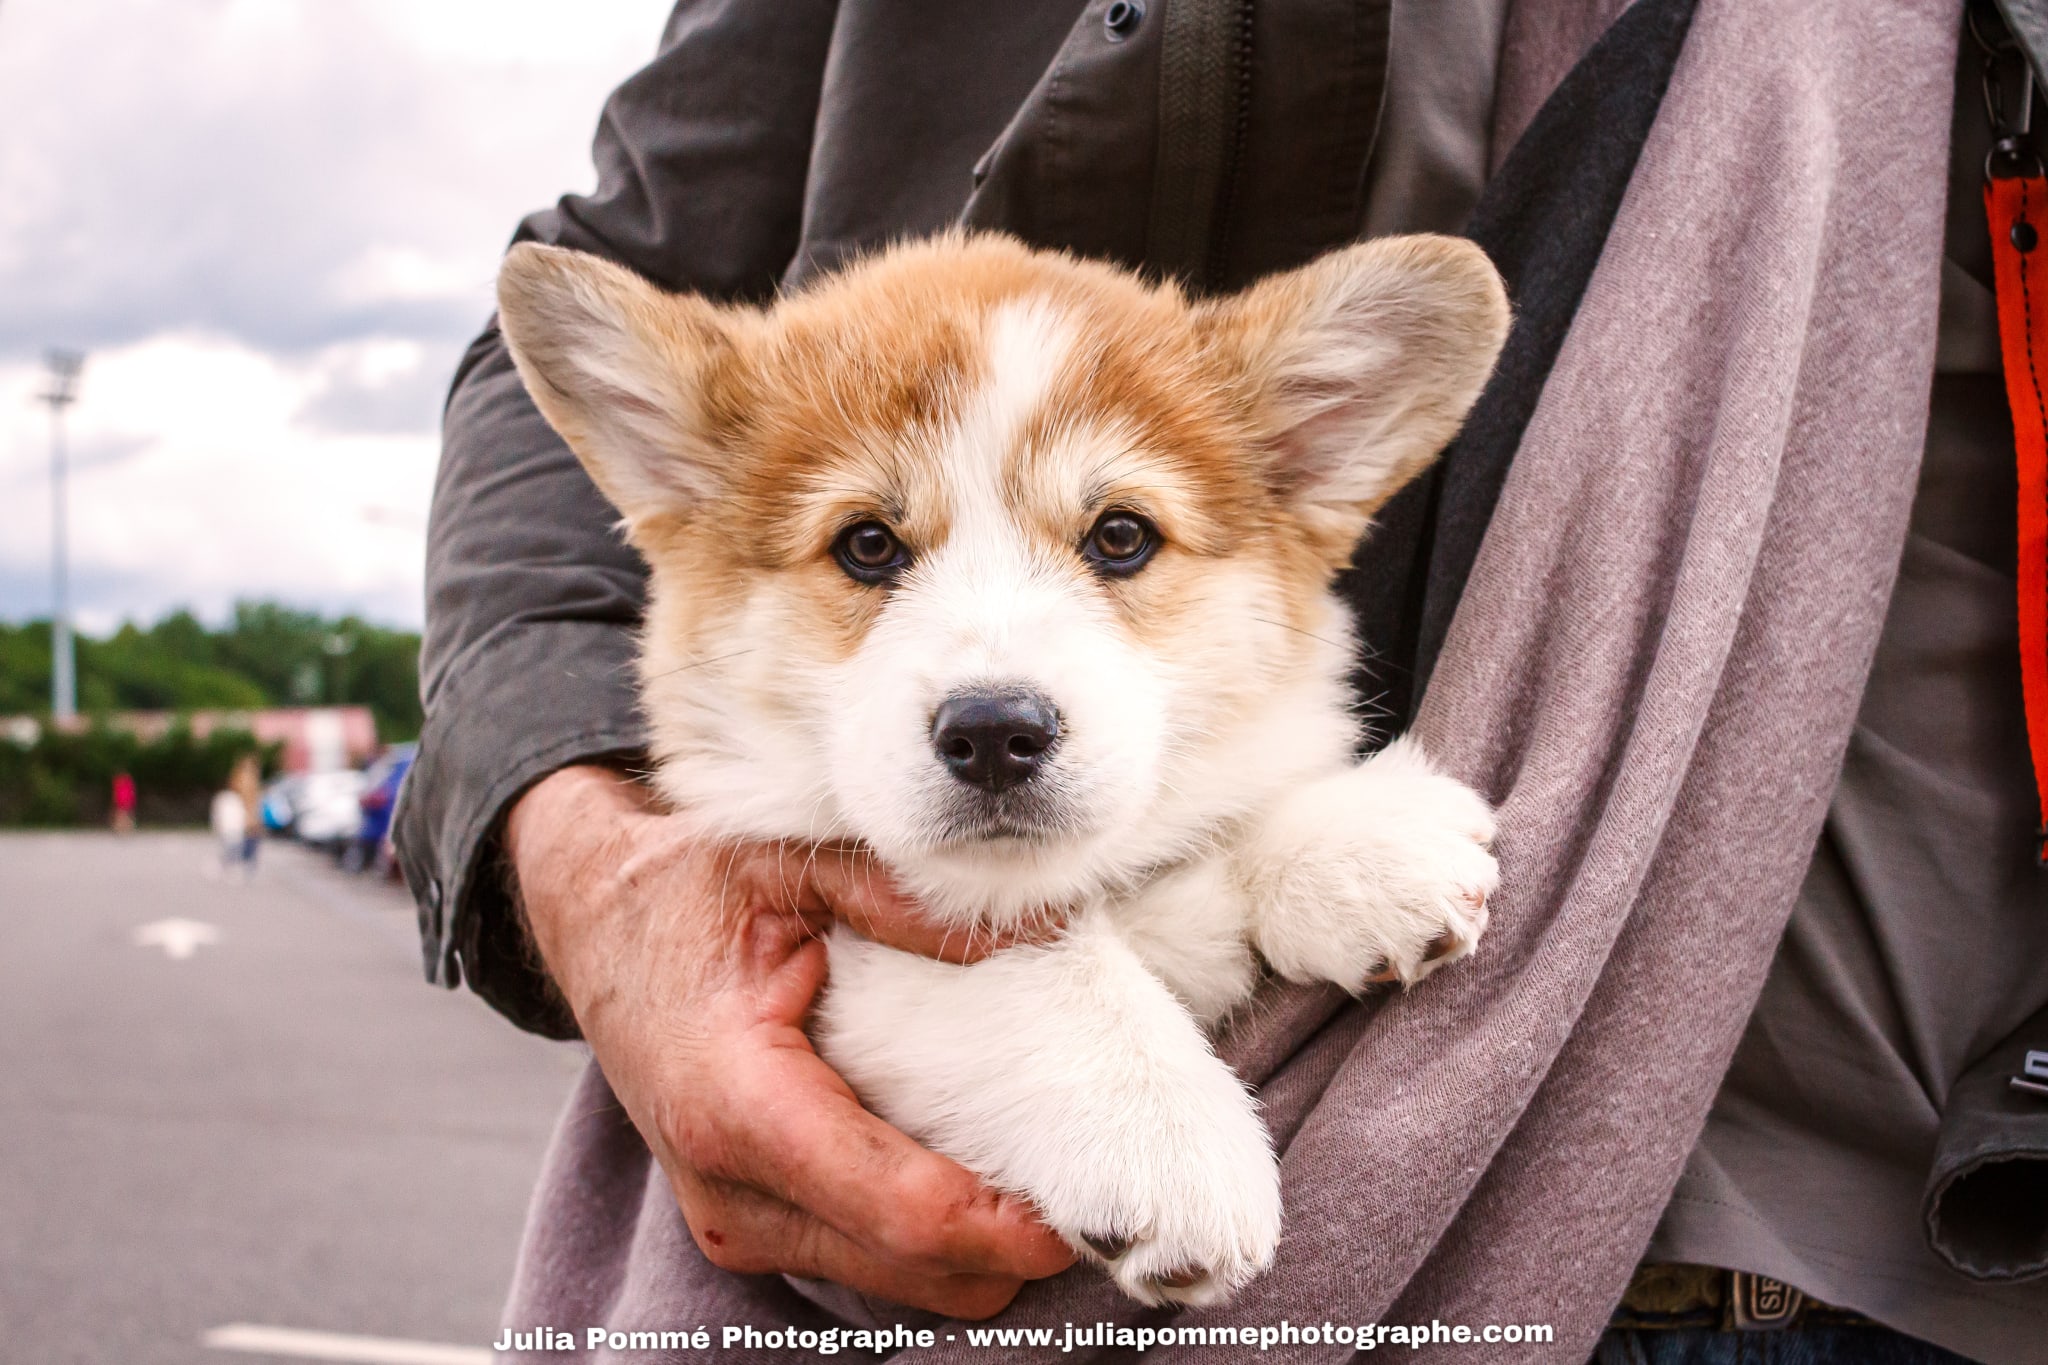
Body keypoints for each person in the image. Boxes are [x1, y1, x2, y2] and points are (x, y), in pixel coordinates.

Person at [394, 2, 2043, 1360]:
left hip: (1922, 1228)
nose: (993, 675)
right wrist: (591, 857)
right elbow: (601, 273)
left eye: (1116, 536)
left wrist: (1280, 856)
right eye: (871, 551)